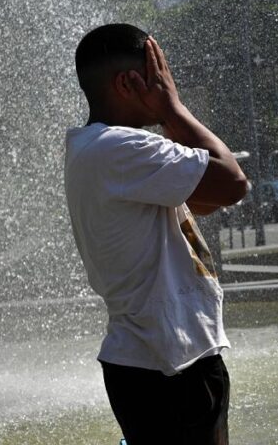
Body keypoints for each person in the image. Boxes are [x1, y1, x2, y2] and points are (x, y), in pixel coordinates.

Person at [64, 24, 247, 444]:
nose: (167, 84)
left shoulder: (102, 150)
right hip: (169, 363)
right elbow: (234, 183)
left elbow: (206, 199)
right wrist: (174, 110)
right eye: (159, 75)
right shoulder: (119, 148)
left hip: (160, 358)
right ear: (130, 82)